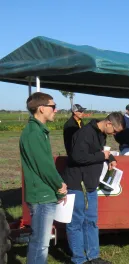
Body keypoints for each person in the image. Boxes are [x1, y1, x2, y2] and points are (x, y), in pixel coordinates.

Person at [63, 112, 125, 264]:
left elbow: (99, 150)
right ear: (109, 123)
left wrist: (110, 158)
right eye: (115, 131)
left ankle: (93, 256)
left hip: (90, 185)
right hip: (78, 184)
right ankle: (79, 259)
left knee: (91, 221)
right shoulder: (84, 133)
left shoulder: (100, 134)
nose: (114, 134)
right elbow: (77, 157)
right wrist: (102, 157)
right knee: (76, 223)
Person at [20, 92, 67, 264]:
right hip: (42, 196)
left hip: (44, 193)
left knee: (41, 242)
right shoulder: (34, 133)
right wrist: (60, 186)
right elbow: (44, 166)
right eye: (53, 106)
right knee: (40, 243)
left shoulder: (39, 131)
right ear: (41, 108)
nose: (56, 110)